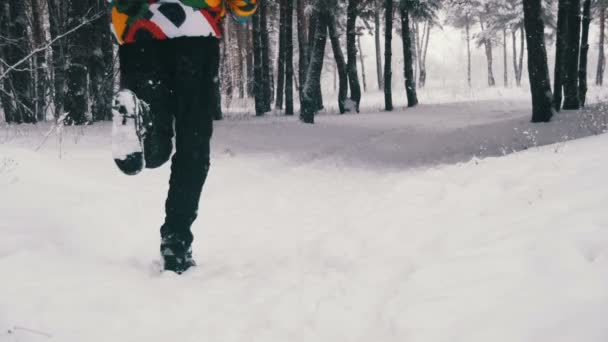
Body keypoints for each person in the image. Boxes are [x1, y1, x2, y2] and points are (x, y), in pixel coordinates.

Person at [109, 0, 257, 274]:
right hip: (196, 32)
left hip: (139, 30)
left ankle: (136, 115)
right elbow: (243, 8)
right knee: (193, 143)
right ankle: (175, 243)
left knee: (153, 148)